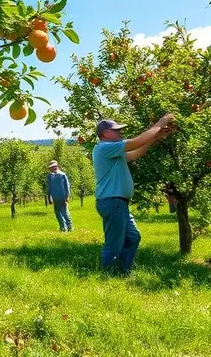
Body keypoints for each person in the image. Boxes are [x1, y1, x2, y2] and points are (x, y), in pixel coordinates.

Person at [92, 115, 174, 274]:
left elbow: (136, 153)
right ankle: (108, 274)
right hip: (112, 201)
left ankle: (122, 271)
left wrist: (154, 137)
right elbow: (136, 142)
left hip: (118, 203)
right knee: (114, 243)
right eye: (117, 130)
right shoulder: (104, 147)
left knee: (133, 238)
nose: (121, 133)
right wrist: (160, 123)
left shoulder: (113, 151)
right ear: (105, 133)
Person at [46, 160, 73, 232]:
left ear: (56, 167)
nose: (50, 169)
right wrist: (49, 197)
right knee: (58, 213)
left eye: (51, 167)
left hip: (63, 197)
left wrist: (67, 196)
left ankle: (69, 227)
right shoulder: (50, 176)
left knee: (65, 212)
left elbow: (67, 186)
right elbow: (49, 187)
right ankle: (63, 227)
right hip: (55, 197)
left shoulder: (62, 175)